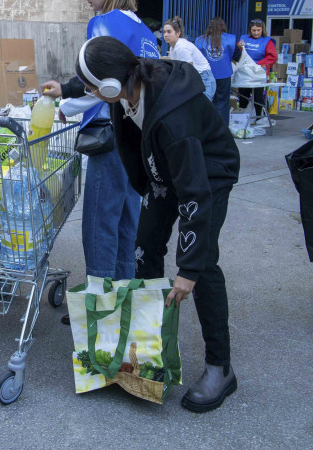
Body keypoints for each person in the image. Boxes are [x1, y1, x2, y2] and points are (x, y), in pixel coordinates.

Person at [75, 36, 240, 412]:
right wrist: (65, 87)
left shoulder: (173, 117)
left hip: (209, 175)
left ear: (113, 85)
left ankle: (220, 367)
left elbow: (195, 192)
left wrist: (188, 268)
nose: (88, 91)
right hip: (165, 172)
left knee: (204, 264)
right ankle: (149, 352)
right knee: (144, 248)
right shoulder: (128, 89)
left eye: (90, 85)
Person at [40, 0, 161, 326]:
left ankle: (98, 310)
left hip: (110, 137)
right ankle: (121, 305)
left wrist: (66, 105)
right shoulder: (146, 31)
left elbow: (101, 83)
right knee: (127, 222)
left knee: (98, 224)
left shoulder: (103, 23)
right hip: (139, 138)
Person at [195, 17, 240, 125]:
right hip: (224, 74)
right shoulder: (231, 39)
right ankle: (223, 129)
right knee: (223, 103)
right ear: (223, 26)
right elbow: (237, 56)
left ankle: (208, 127)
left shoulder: (200, 40)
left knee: (207, 102)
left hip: (206, 75)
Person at [163, 16, 216, 100]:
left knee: (200, 111)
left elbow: (189, 70)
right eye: (164, 32)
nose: (165, 35)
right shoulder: (172, 47)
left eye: (169, 32)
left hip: (204, 79)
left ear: (178, 33)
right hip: (197, 79)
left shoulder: (182, 47)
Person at [236, 18, 277, 116]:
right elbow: (236, 53)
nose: (256, 33)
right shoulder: (244, 38)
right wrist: (239, 46)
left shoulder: (267, 41)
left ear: (262, 30)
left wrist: (258, 64)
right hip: (244, 73)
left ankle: (260, 118)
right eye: (254, 30)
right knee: (243, 97)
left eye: (258, 30)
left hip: (258, 73)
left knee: (258, 97)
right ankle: (243, 119)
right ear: (250, 30)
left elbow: (272, 57)